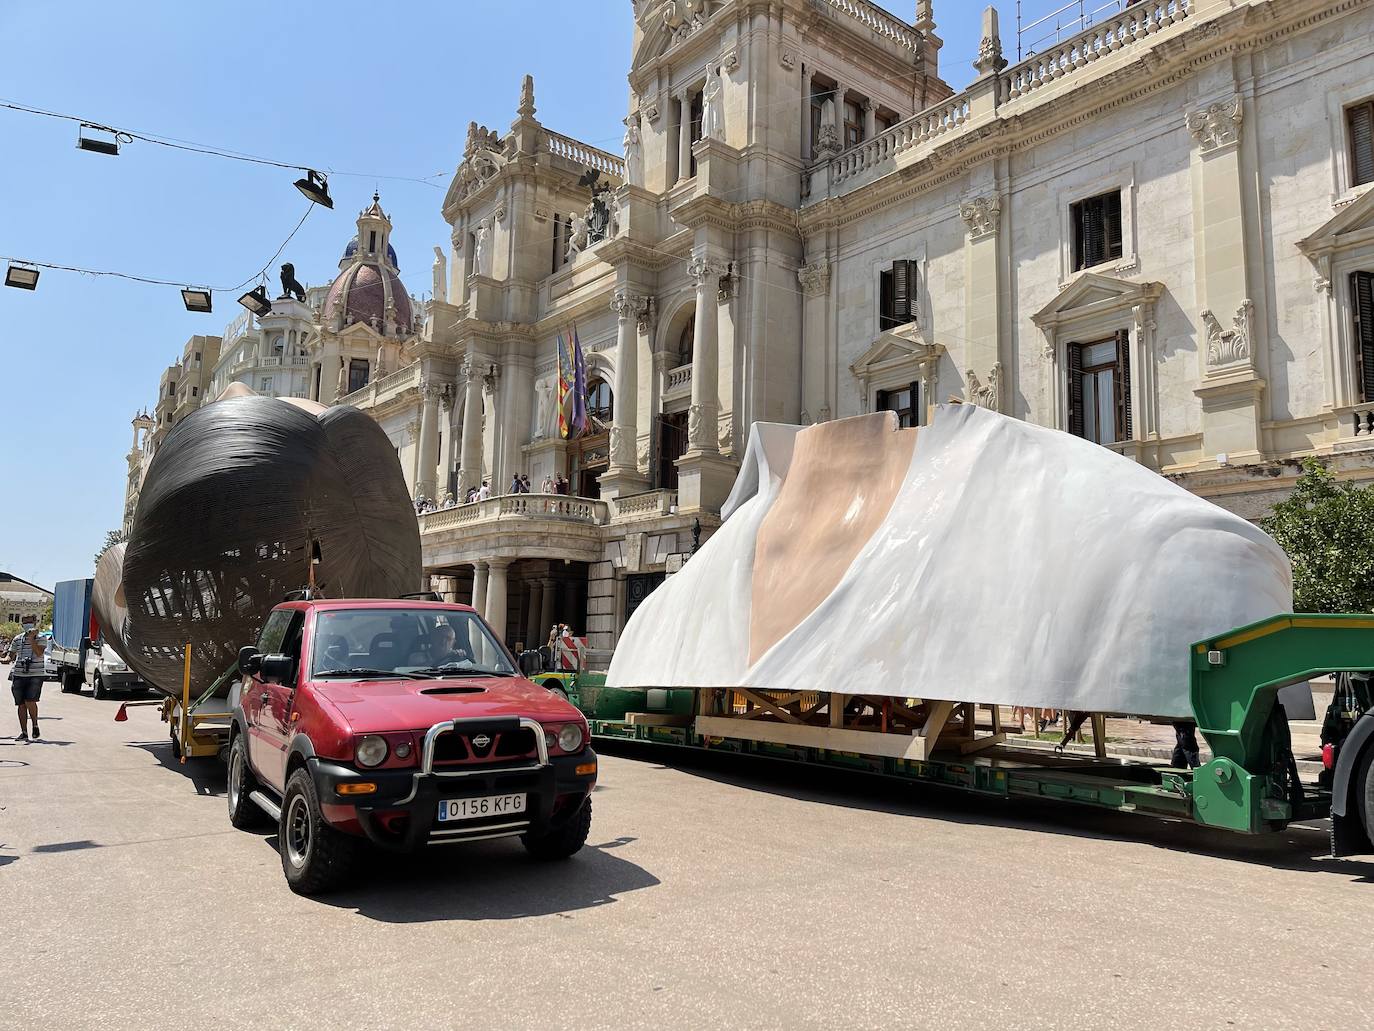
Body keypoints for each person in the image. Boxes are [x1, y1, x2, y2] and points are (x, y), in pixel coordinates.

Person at [9, 617, 46, 740]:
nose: (27, 625)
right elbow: (10, 655)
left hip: (35, 674)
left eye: (30, 623)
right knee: (20, 704)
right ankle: (24, 732)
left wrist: (31, 639)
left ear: (35, 624)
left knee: (30, 700)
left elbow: (39, 653)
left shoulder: (41, 637)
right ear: (21, 625)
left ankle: (35, 725)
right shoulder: (17, 638)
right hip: (19, 673)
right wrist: (5, 658)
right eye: (25, 623)